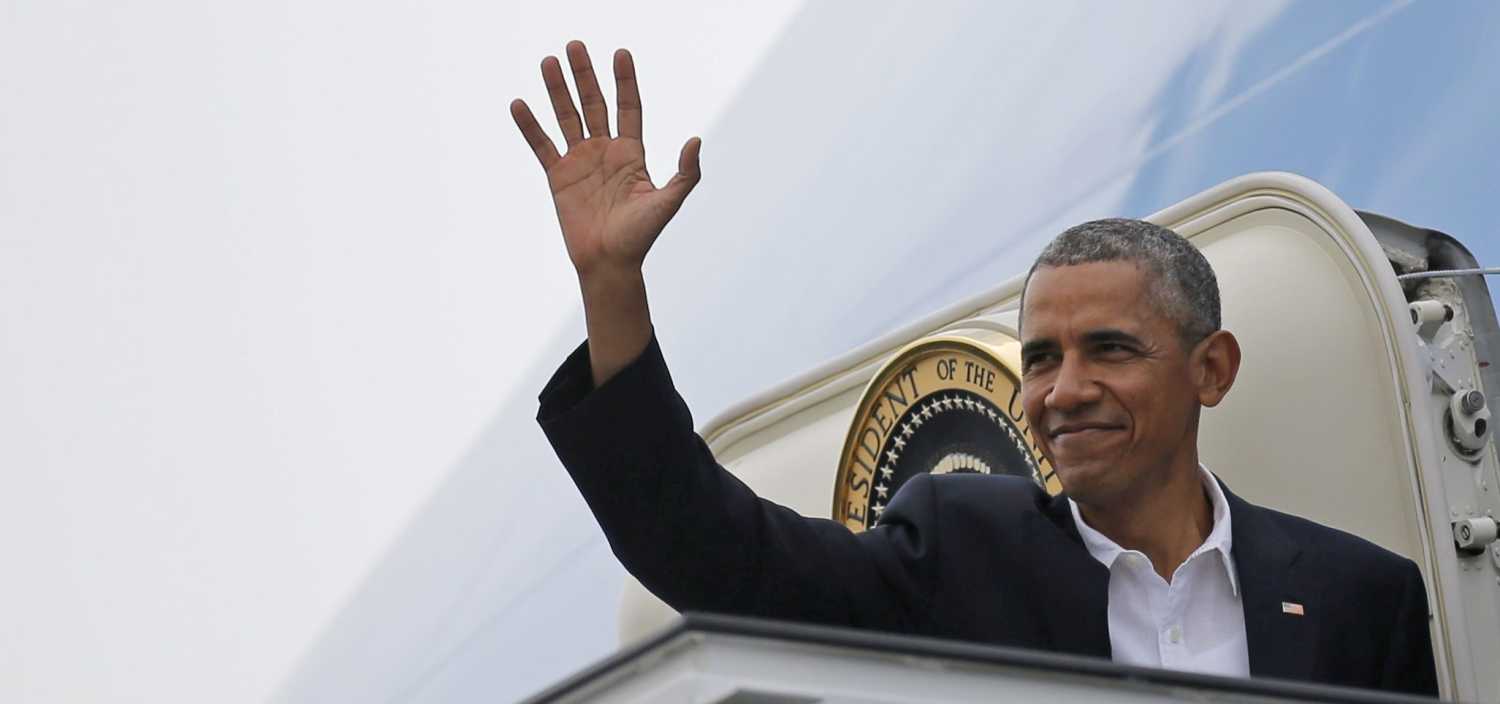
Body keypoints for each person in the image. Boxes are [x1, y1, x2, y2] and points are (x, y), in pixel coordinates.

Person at [513, 41, 1438, 695]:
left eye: (1108, 349)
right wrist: (611, 285)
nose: (1063, 391)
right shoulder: (961, 554)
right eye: (1041, 360)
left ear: (1212, 369)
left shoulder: (1362, 597)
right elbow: (715, 554)